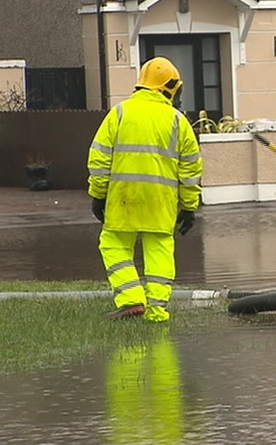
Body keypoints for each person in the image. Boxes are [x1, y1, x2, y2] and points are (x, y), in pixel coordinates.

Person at [87, 56, 203, 321]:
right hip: (160, 200)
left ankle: (130, 300)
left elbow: (99, 159)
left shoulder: (120, 113)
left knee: (113, 243)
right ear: (169, 87)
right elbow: (190, 170)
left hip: (123, 197)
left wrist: (98, 194)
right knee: (159, 248)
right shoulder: (177, 121)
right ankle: (157, 309)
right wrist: (188, 207)